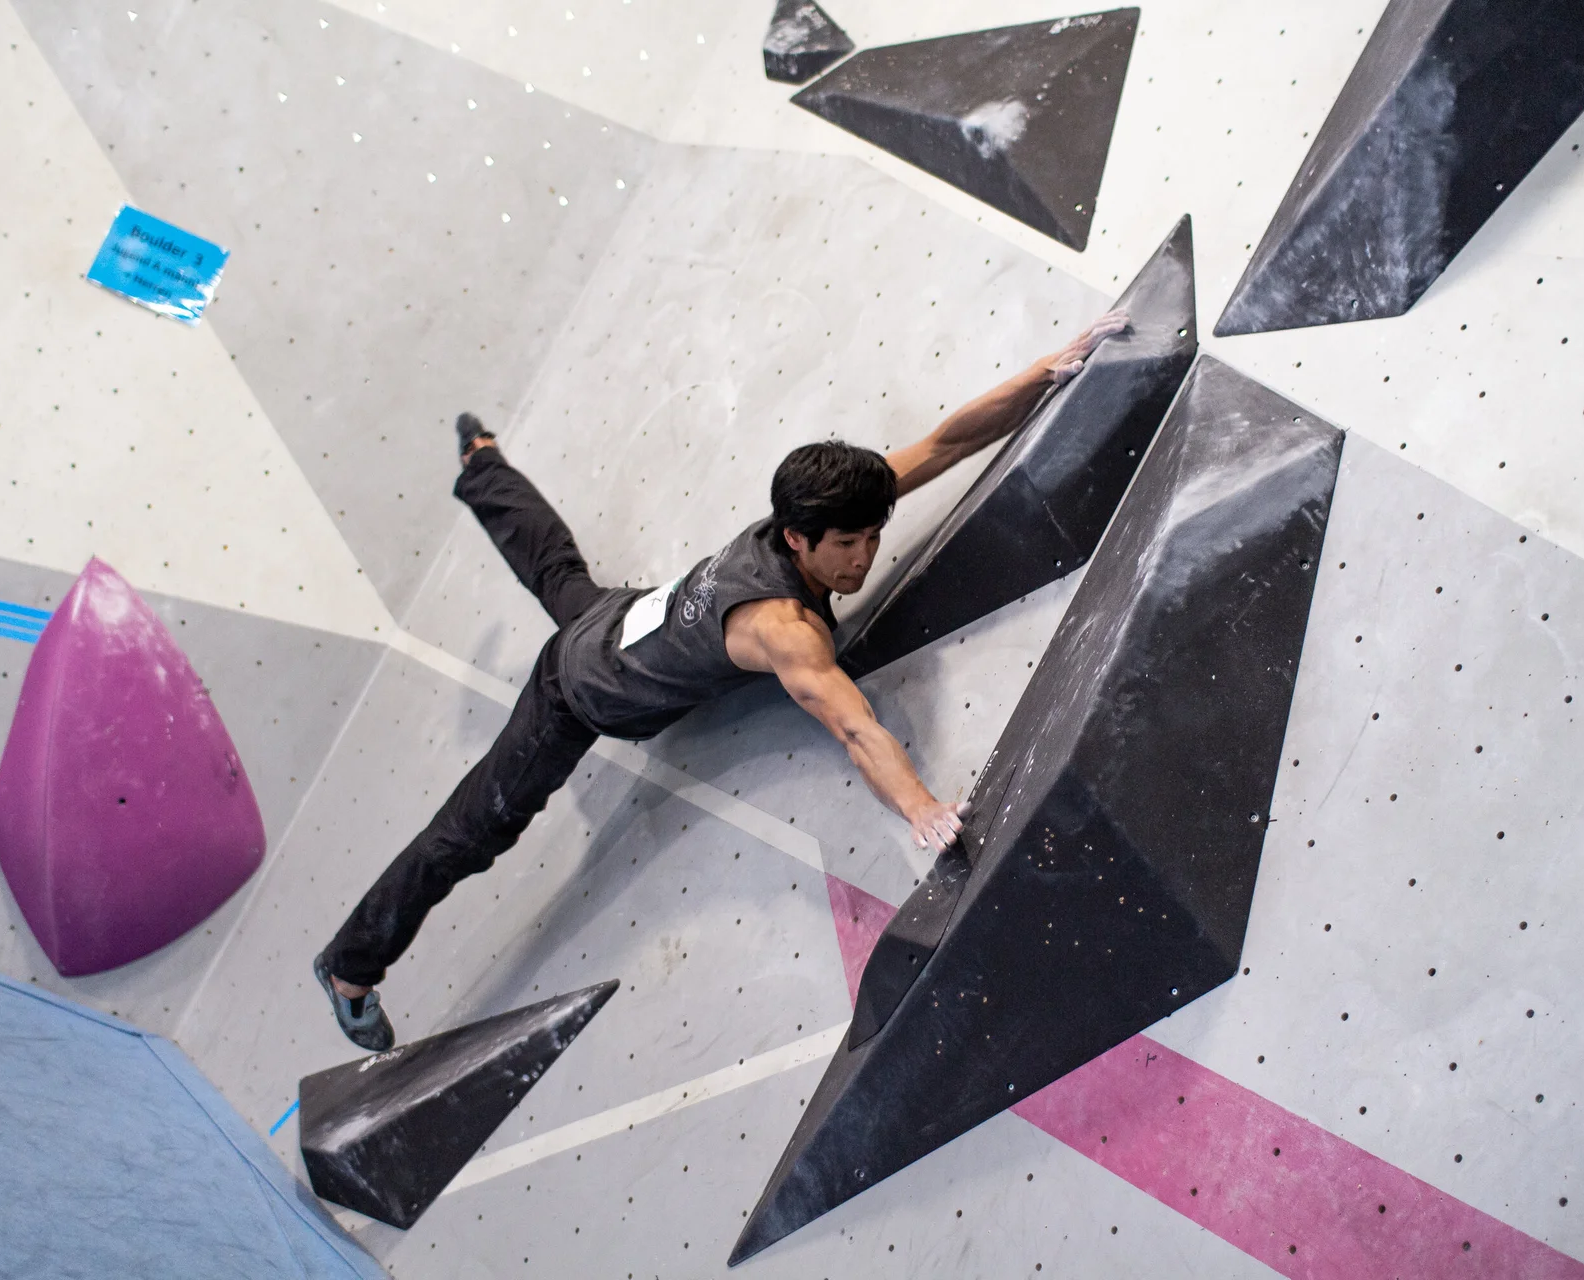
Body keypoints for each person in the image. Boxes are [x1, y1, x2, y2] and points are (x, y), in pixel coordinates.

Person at [314, 309, 1132, 1049]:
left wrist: (1049, 368)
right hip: (579, 691)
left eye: (872, 537)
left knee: (559, 573)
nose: (865, 557)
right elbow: (855, 726)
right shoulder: (785, 631)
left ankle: (482, 462)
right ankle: (349, 966)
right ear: (797, 539)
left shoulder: (819, 506)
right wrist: (922, 807)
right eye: (848, 546)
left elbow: (947, 444)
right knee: (472, 831)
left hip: (626, 615)